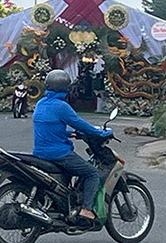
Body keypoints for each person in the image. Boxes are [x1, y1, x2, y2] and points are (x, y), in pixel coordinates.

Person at [32, 69, 112, 226]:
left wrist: (68, 134)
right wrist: (100, 133)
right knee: (91, 173)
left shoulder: (41, 103)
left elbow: (48, 126)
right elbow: (80, 124)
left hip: (39, 153)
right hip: (58, 154)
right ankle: (86, 209)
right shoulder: (61, 106)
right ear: (66, 88)